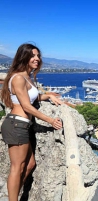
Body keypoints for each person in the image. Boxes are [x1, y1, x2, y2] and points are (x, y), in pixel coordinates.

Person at [0, 43, 63, 201]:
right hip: (16, 124)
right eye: (32, 55)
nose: (37, 58)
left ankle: (14, 194)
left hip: (22, 125)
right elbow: (27, 106)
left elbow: (32, 98)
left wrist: (48, 95)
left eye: (38, 55)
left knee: (29, 165)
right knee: (17, 167)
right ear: (24, 57)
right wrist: (50, 120)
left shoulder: (27, 77)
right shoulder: (18, 78)